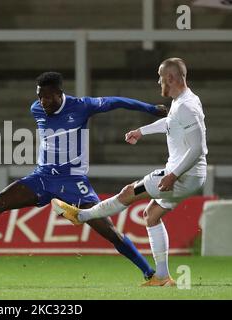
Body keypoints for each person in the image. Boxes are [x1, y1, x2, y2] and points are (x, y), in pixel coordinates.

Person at [0, 71, 168, 280]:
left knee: (109, 232)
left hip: (73, 181)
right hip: (41, 178)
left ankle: (150, 273)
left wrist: (149, 109)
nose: (43, 102)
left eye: (48, 96)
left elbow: (115, 101)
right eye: (40, 96)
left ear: (60, 93)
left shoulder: (82, 106)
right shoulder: (36, 108)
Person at [53, 58, 208, 287]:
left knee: (128, 193)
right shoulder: (183, 102)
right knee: (151, 215)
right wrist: (141, 131)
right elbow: (171, 123)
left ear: (171, 78)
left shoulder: (187, 105)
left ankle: (81, 216)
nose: (158, 81)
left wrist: (173, 175)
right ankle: (163, 278)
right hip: (187, 175)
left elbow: (198, 148)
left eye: (159, 77)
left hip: (183, 175)